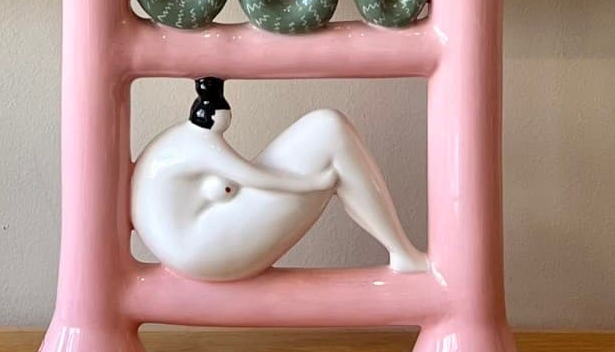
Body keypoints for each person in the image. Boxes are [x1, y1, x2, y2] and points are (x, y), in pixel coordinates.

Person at [130, 78, 426, 282]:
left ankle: (401, 251)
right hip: (201, 247)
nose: (225, 125)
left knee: (327, 125)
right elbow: (252, 177)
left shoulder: (175, 141)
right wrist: (315, 182)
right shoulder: (201, 143)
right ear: (210, 117)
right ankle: (401, 252)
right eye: (223, 118)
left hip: (192, 238)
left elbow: (222, 185)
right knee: (330, 129)